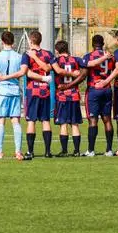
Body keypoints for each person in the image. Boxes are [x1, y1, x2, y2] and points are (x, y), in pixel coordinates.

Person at [20, 30, 54, 159]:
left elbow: (27, 73)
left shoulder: (27, 54)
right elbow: (47, 68)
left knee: (31, 121)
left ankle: (30, 151)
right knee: (45, 120)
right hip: (45, 90)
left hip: (33, 89)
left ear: (31, 41)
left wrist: (34, 57)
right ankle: (47, 151)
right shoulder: (48, 54)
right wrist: (44, 79)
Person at [82, 35, 116, 157]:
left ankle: (91, 150)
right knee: (107, 119)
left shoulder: (89, 56)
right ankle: (109, 150)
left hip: (94, 89)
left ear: (92, 44)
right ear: (103, 43)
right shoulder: (110, 57)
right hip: (107, 89)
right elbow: (115, 71)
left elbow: (86, 67)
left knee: (93, 120)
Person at [51, 40, 85, 157]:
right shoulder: (76, 60)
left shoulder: (56, 60)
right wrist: (76, 74)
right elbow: (87, 67)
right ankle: (76, 151)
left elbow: (57, 71)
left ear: (57, 50)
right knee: (75, 124)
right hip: (74, 95)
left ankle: (64, 151)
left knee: (63, 123)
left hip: (62, 96)